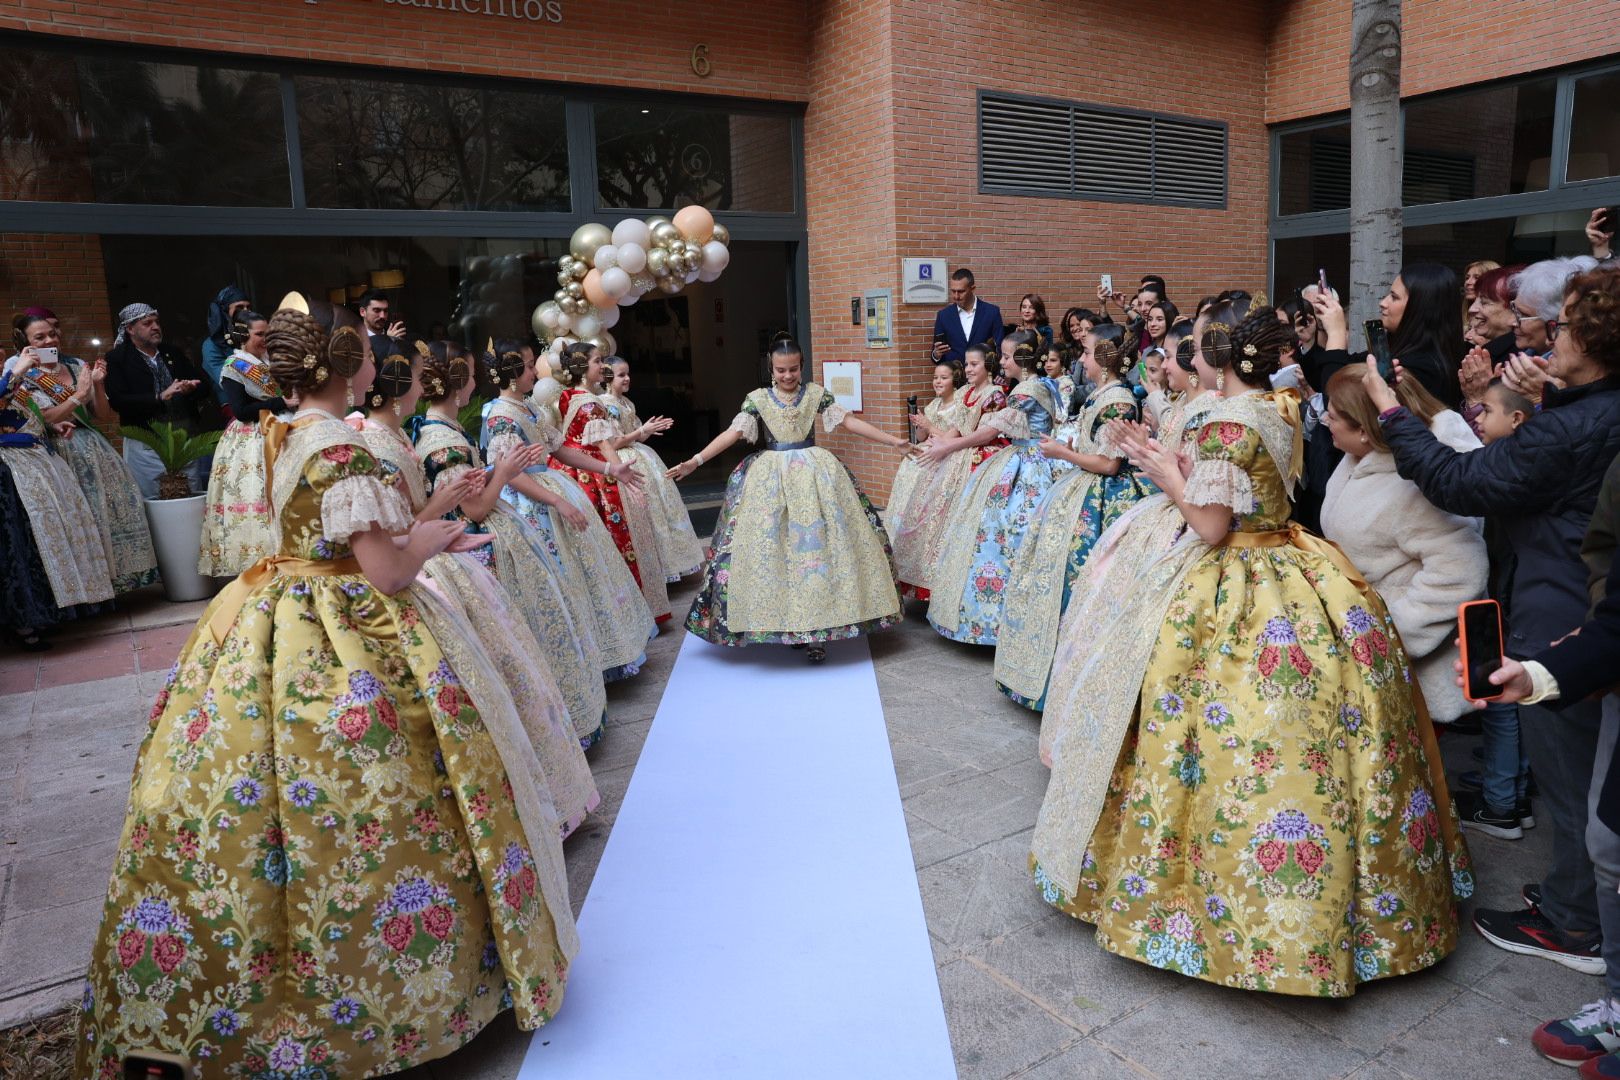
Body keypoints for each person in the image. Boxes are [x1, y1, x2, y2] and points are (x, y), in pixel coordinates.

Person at [75, 306, 578, 1078]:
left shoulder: (286, 433)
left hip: (275, 615)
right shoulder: (341, 446)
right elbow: (385, 569)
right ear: (344, 367)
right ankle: (382, 997)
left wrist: (424, 521)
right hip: (345, 630)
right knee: (392, 787)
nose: (380, 364)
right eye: (372, 354)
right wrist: (436, 538)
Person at [1031, 300, 1470, 998]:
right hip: (1293, 562)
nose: (1190, 359)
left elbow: (1208, 524)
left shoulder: (1230, 423)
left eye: (1198, 350)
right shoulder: (1282, 406)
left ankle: (1210, 901)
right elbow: (1258, 495)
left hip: (1233, 577)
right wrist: (1177, 460)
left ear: (1220, 357)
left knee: (1201, 731)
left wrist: (1161, 468)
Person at [1363, 264, 1620, 974]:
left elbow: (1459, 482)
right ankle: (1577, 899)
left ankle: (1575, 925)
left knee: (1576, 788)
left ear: (1594, 336)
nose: (1548, 336)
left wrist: (1389, 414)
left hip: (1566, 614)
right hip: (1574, 601)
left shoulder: (1571, 428)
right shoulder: (1583, 411)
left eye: (1562, 324)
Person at [349, 344, 600, 834]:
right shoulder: (396, 443)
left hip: (443, 553)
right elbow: (445, 516)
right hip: (432, 566)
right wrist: (499, 476)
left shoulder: (404, 435)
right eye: (418, 377)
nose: (423, 388)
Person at [412, 340, 612, 746]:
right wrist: (501, 473)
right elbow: (474, 511)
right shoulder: (445, 440)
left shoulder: (449, 429)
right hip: (473, 546)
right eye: (469, 374)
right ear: (458, 384)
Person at [668, 336, 907, 663]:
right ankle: (782, 624)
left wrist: (893, 441)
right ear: (771, 368)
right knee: (774, 550)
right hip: (771, 480)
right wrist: (695, 461)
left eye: (793, 369)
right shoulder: (758, 400)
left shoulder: (815, 394)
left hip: (815, 476)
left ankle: (818, 631)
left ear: (802, 366)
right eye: (781, 370)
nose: (787, 375)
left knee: (818, 551)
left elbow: (849, 421)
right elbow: (733, 433)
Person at [994, 322, 1155, 710]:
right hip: (1080, 490)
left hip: (1101, 499)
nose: (1081, 359)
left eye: (1086, 353)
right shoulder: (1105, 393)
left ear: (1103, 358)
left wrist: (1064, 453)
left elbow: (1111, 464)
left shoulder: (1118, 400)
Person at [481, 342, 658, 685]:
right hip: (531, 506)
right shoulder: (502, 416)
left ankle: (597, 656)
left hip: (550, 490)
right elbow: (511, 475)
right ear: (512, 376)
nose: (536, 372)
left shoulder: (527, 406)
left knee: (581, 576)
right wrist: (556, 501)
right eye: (530, 366)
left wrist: (610, 467)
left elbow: (561, 449)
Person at [1319, 366, 1486, 728]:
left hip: (1407, 674)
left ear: (1363, 430)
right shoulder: (1355, 461)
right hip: (1365, 657)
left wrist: (1392, 632)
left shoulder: (1411, 486)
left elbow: (1461, 569)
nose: (1323, 422)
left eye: (1331, 417)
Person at [926, 331, 1073, 645]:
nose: (1002, 361)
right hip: (1029, 457)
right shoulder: (1037, 385)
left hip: (1029, 461)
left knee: (1005, 533)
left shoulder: (1026, 391)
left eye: (1006, 356)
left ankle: (1001, 623)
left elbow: (989, 431)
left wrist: (949, 447)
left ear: (1021, 358)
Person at [10, 311, 157, 593]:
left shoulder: (76, 365)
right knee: (83, 519)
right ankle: (95, 588)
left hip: (93, 446)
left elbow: (101, 414)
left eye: (52, 334)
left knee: (114, 511)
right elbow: (44, 417)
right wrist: (77, 394)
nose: (50, 340)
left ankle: (123, 581)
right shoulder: (22, 375)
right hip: (59, 452)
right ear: (25, 343)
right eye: (39, 337)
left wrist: (98, 384)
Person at [0, 352, 115, 650]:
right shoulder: (11, 380)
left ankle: (45, 615)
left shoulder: (12, 383)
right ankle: (25, 623)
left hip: (37, 460)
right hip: (11, 470)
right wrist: (17, 373)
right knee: (22, 544)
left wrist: (51, 427)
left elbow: (27, 415)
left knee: (44, 540)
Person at [550, 341, 671, 621]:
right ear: (582, 367)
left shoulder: (569, 396)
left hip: (568, 470)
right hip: (591, 474)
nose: (602, 366)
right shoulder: (591, 404)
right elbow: (605, 445)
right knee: (616, 540)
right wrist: (624, 476)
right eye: (597, 362)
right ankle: (629, 613)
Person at [599, 356, 706, 580]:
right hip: (623, 460)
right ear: (608, 377)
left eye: (628, 373)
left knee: (661, 509)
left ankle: (669, 565)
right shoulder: (605, 404)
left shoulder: (627, 403)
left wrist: (648, 430)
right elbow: (613, 442)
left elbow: (634, 435)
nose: (627, 378)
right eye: (621, 375)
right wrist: (640, 432)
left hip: (642, 457)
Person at [198, 310, 286, 577]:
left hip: (279, 429)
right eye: (260, 334)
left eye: (267, 333)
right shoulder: (234, 366)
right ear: (241, 335)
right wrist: (280, 403)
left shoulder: (272, 362)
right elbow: (240, 410)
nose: (265, 339)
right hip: (251, 438)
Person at [103, 302, 222, 498]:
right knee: (154, 498)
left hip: (183, 438)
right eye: (147, 323)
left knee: (190, 493)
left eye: (156, 322)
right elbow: (118, 401)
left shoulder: (172, 353)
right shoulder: (118, 358)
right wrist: (159, 397)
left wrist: (189, 389)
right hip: (146, 442)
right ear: (130, 329)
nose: (155, 327)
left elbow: (204, 387)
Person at [886, 359, 974, 601]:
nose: (938, 381)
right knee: (911, 463)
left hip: (947, 456)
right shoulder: (934, 403)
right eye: (935, 377)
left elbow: (948, 438)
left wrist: (929, 425)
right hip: (928, 451)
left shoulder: (959, 405)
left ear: (954, 380)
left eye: (943, 377)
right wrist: (920, 426)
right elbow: (924, 435)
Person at [1377, 263, 1465, 408]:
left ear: (1420, 308)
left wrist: (1337, 333)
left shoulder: (1417, 370)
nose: (1383, 303)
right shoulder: (1395, 345)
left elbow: (1343, 407)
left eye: (1394, 297)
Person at [930, 268, 1004, 366]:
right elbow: (935, 354)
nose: (956, 296)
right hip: (954, 376)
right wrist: (936, 354)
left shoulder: (991, 312)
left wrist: (999, 372)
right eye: (953, 291)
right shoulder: (943, 315)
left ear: (972, 289)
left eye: (961, 291)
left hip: (983, 375)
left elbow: (1000, 347)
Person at [199, 284, 249, 402]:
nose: (246, 312)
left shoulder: (255, 336)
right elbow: (229, 383)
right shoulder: (211, 346)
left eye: (248, 307)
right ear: (225, 312)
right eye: (240, 307)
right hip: (235, 407)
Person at [357, 287, 405, 361]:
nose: (382, 316)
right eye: (376, 310)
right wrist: (387, 342)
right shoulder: (354, 340)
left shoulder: (395, 336)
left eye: (385, 311)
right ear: (362, 312)